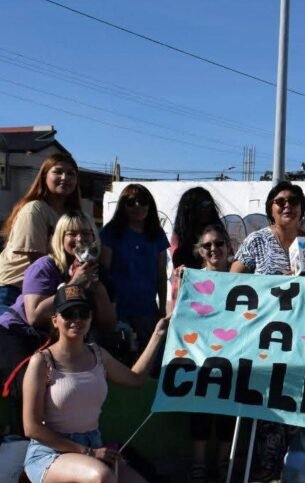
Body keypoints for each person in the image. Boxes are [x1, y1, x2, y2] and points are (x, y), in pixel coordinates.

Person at [23, 284, 167, 483]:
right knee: (102, 480)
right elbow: (32, 428)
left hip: (93, 448)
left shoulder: (97, 354)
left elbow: (135, 379)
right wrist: (89, 454)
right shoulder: (42, 362)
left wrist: (157, 335)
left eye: (83, 313)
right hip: (51, 453)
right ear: (55, 319)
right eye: (69, 314)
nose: (77, 320)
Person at [0, 211, 115, 436]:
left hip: (59, 339)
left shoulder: (99, 271)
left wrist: (99, 290)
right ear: (60, 238)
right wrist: (74, 284)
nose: (80, 239)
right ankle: (25, 438)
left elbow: (109, 325)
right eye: (72, 234)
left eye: (86, 233)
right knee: (28, 381)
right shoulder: (45, 265)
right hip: (18, 331)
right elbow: (34, 316)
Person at [231, 181, 305, 480]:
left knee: (296, 396)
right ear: (271, 209)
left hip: (300, 336)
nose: (287, 205)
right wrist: (273, 284)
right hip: (265, 333)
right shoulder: (256, 241)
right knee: (267, 397)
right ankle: (265, 463)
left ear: (301, 208)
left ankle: (295, 461)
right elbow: (233, 282)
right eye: (280, 201)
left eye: (293, 200)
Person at [187, 224, 235, 483]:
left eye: (219, 243)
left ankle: (223, 461)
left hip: (233, 354)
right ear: (200, 252)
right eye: (208, 245)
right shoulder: (190, 279)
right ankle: (198, 462)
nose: (214, 249)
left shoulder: (242, 278)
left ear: (229, 247)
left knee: (228, 406)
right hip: (200, 353)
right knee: (200, 408)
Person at [0, 154, 81, 306]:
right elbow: (37, 262)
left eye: (71, 174)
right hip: (13, 290)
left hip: (49, 288)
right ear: (44, 176)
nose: (65, 177)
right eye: (58, 172)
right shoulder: (34, 209)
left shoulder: (72, 214)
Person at [100, 184, 170, 351]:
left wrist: (161, 309)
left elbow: (161, 274)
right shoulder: (111, 232)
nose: (138, 206)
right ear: (122, 206)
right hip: (118, 310)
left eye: (143, 202)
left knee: (150, 360)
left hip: (147, 310)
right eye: (131, 202)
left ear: (150, 205)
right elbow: (104, 273)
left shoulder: (157, 234)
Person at [170, 187, 223, 308]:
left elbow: (227, 260)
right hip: (187, 297)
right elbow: (179, 268)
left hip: (215, 295)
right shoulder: (179, 237)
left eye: (207, 203)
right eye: (198, 205)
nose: (204, 208)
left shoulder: (218, 232)